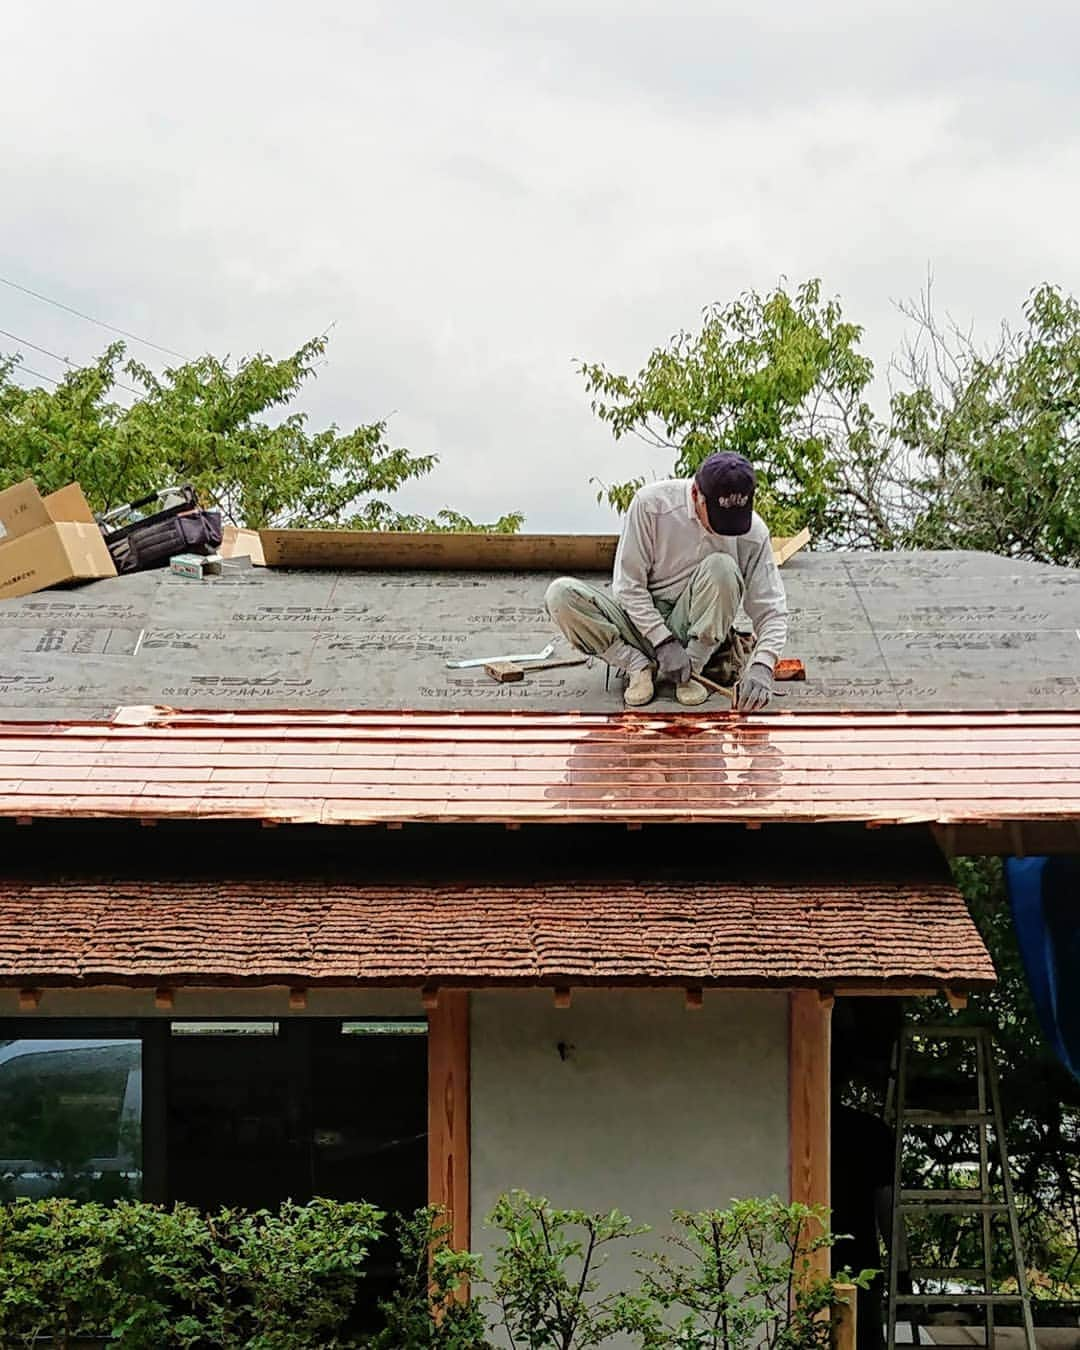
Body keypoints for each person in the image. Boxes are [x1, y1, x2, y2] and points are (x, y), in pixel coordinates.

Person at [544, 451, 788, 708]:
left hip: (700, 629)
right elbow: (628, 587)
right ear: (696, 495)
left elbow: (771, 610)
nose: (723, 531)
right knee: (560, 595)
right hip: (639, 629)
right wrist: (663, 642)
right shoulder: (652, 506)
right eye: (717, 518)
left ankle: (692, 671)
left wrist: (763, 665)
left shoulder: (754, 533)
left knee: (723, 567)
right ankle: (637, 666)